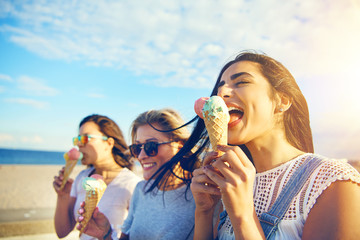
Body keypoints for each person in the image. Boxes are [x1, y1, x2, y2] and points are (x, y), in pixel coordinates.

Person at [176, 51, 360, 239]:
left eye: (241, 82)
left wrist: (243, 215)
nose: (221, 93)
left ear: (282, 100)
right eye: (219, 88)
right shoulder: (230, 181)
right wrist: (204, 212)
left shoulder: (332, 182)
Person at [77, 109, 199, 240]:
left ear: (180, 147)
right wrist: (105, 233)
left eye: (151, 146)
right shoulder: (141, 190)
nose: (141, 156)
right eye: (137, 148)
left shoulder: (201, 197)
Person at [53, 114, 141, 239]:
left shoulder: (131, 184)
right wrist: (62, 196)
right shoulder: (81, 178)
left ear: (109, 143)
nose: (79, 145)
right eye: (78, 139)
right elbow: (62, 232)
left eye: (85, 139)